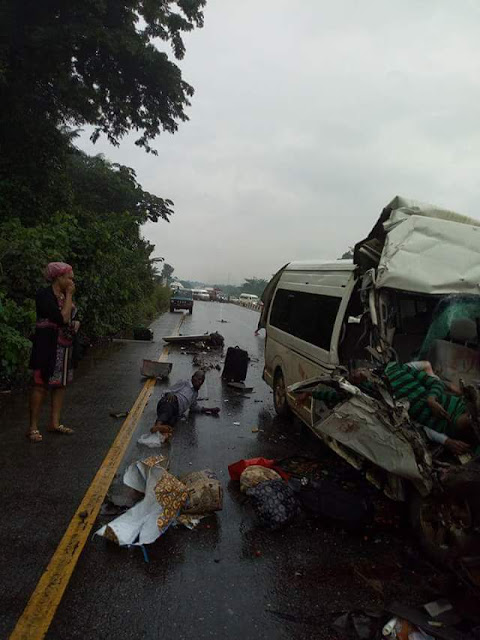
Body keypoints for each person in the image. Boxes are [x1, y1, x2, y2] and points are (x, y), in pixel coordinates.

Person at [296, 361, 473, 456]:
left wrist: (431, 399)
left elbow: (432, 381)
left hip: (450, 402)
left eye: (356, 371)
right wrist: (310, 393)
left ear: (366, 367)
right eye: (352, 377)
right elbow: (334, 396)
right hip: (445, 425)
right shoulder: (373, 397)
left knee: (472, 411)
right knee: (467, 423)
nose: (355, 375)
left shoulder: (394, 368)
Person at [27, 262, 80, 442]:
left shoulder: (65, 296)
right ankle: (33, 426)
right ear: (59, 277)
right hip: (46, 345)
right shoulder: (44, 295)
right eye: (69, 277)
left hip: (64, 347)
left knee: (60, 384)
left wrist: (76, 321)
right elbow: (63, 318)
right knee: (40, 383)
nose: (72, 281)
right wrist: (70, 295)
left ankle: (54, 423)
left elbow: (73, 316)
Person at [151, 370, 220, 438]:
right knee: (169, 406)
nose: (200, 382)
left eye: (202, 381)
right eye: (198, 379)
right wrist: (169, 393)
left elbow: (194, 407)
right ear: (193, 377)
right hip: (169, 402)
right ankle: (157, 425)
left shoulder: (195, 394)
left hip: (176, 411)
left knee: (172, 422)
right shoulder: (184, 383)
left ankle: (162, 431)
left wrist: (210, 409)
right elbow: (167, 390)